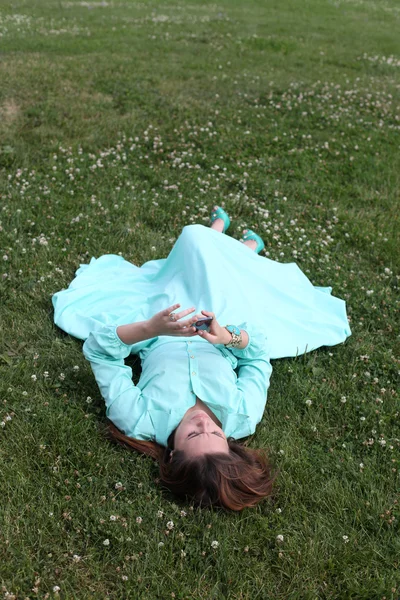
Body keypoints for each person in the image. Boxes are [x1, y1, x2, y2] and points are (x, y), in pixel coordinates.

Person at [52, 206, 351, 511]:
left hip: (166, 313)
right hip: (223, 316)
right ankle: (239, 246)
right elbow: (259, 357)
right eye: (217, 433)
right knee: (206, 256)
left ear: (172, 454)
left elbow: (100, 352)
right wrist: (229, 337)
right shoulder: (243, 415)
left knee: (193, 238)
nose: (204, 423)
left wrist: (151, 327)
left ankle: (231, 240)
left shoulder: (138, 419)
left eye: (194, 433)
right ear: (229, 442)